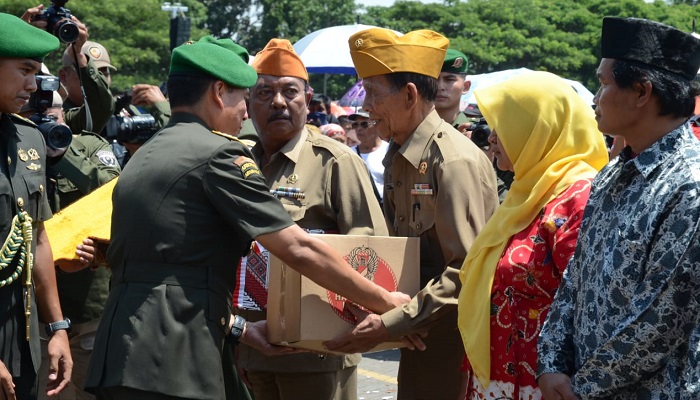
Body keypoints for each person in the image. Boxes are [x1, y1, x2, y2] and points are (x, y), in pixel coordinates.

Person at [84, 35, 408, 400]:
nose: (249, 109)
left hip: (139, 347)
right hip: (178, 350)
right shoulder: (221, 156)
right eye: (250, 95)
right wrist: (387, 302)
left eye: (289, 92)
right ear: (220, 93)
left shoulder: (147, 152)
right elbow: (297, 247)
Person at [326, 28, 499, 400]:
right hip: (416, 327)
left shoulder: (451, 161)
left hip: (451, 336)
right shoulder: (400, 156)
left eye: (373, 93)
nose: (366, 105)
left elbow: (466, 271)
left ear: (409, 95)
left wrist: (391, 322)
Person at [537, 17, 700, 399]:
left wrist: (581, 386)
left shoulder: (690, 185)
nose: (595, 96)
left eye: (604, 82)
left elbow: (661, 320)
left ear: (642, 92)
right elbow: (576, 276)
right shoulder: (614, 173)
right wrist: (551, 363)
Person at [236, 38, 388, 400]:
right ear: (247, 102)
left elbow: (373, 252)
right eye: (264, 92)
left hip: (317, 351)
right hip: (250, 346)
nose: (278, 102)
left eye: (290, 91)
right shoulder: (237, 162)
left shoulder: (334, 161)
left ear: (308, 99)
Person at [456, 71, 609, 399]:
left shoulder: (577, 197)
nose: (491, 138)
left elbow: (590, 303)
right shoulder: (527, 191)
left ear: (538, 129)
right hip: (503, 374)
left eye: (503, 125)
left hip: (545, 381)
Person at [0, 12, 73, 399]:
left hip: (22, 339)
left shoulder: (29, 138)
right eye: (25, 70)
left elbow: (38, 238)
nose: (34, 84)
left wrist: (58, 327)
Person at [348, 109, 388, 205]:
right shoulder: (349, 153)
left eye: (364, 124)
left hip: (386, 211)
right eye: (355, 125)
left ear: (376, 125)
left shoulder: (389, 150)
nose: (359, 129)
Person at [435, 48, 471, 132]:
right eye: (434, 80)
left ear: (465, 87)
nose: (440, 87)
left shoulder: (477, 133)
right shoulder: (407, 130)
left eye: (449, 80)